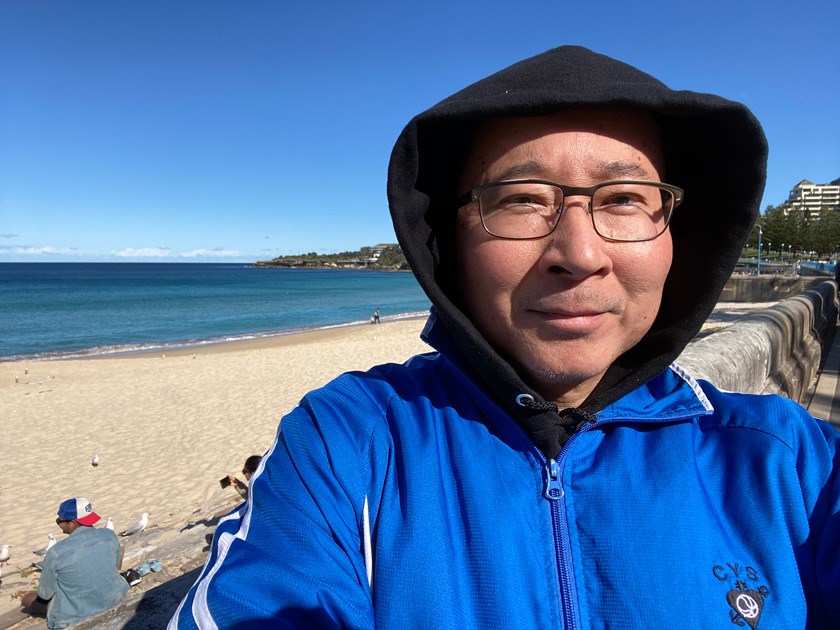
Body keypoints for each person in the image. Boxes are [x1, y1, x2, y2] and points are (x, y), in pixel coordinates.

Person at [171, 46, 840, 628]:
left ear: (676, 238)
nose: (577, 253)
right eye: (521, 199)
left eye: (625, 200)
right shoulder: (353, 445)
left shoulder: (785, 462)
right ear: (450, 244)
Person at [21, 498, 128, 628]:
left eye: (59, 520)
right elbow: (115, 566)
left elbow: (45, 594)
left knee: (28, 599)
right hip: (114, 598)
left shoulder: (57, 552)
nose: (58, 523)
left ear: (72, 523)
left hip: (75, 614)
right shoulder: (109, 535)